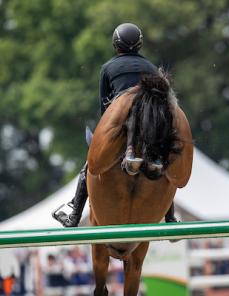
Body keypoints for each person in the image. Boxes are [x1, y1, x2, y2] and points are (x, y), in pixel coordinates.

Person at [52, 23, 178, 227]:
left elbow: (105, 109)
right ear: (140, 44)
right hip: (148, 133)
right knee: (163, 164)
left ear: (115, 45)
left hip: (120, 130)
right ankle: (170, 217)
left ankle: (74, 216)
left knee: (88, 168)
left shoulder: (108, 68)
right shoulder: (152, 68)